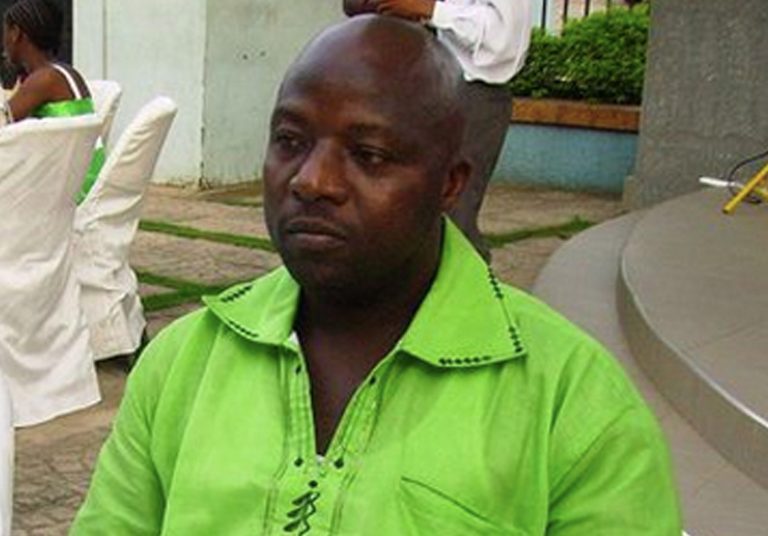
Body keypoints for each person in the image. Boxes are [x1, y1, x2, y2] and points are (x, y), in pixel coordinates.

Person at [72, 16, 680, 535]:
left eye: (368, 155)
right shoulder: (183, 365)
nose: (312, 180)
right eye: (290, 140)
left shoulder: (572, 402)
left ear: (450, 183)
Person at [344, 0, 531, 260]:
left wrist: (430, 9)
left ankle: (470, 295)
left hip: (472, 94)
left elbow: (503, 42)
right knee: (404, 212)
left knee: (451, 222)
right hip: (421, 85)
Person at [1, 0, 104, 204]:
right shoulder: (64, 72)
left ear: (16, 33)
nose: (3, 42)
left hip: (71, 191)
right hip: (85, 181)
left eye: (5, 32)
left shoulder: (45, 80)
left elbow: (4, 122)